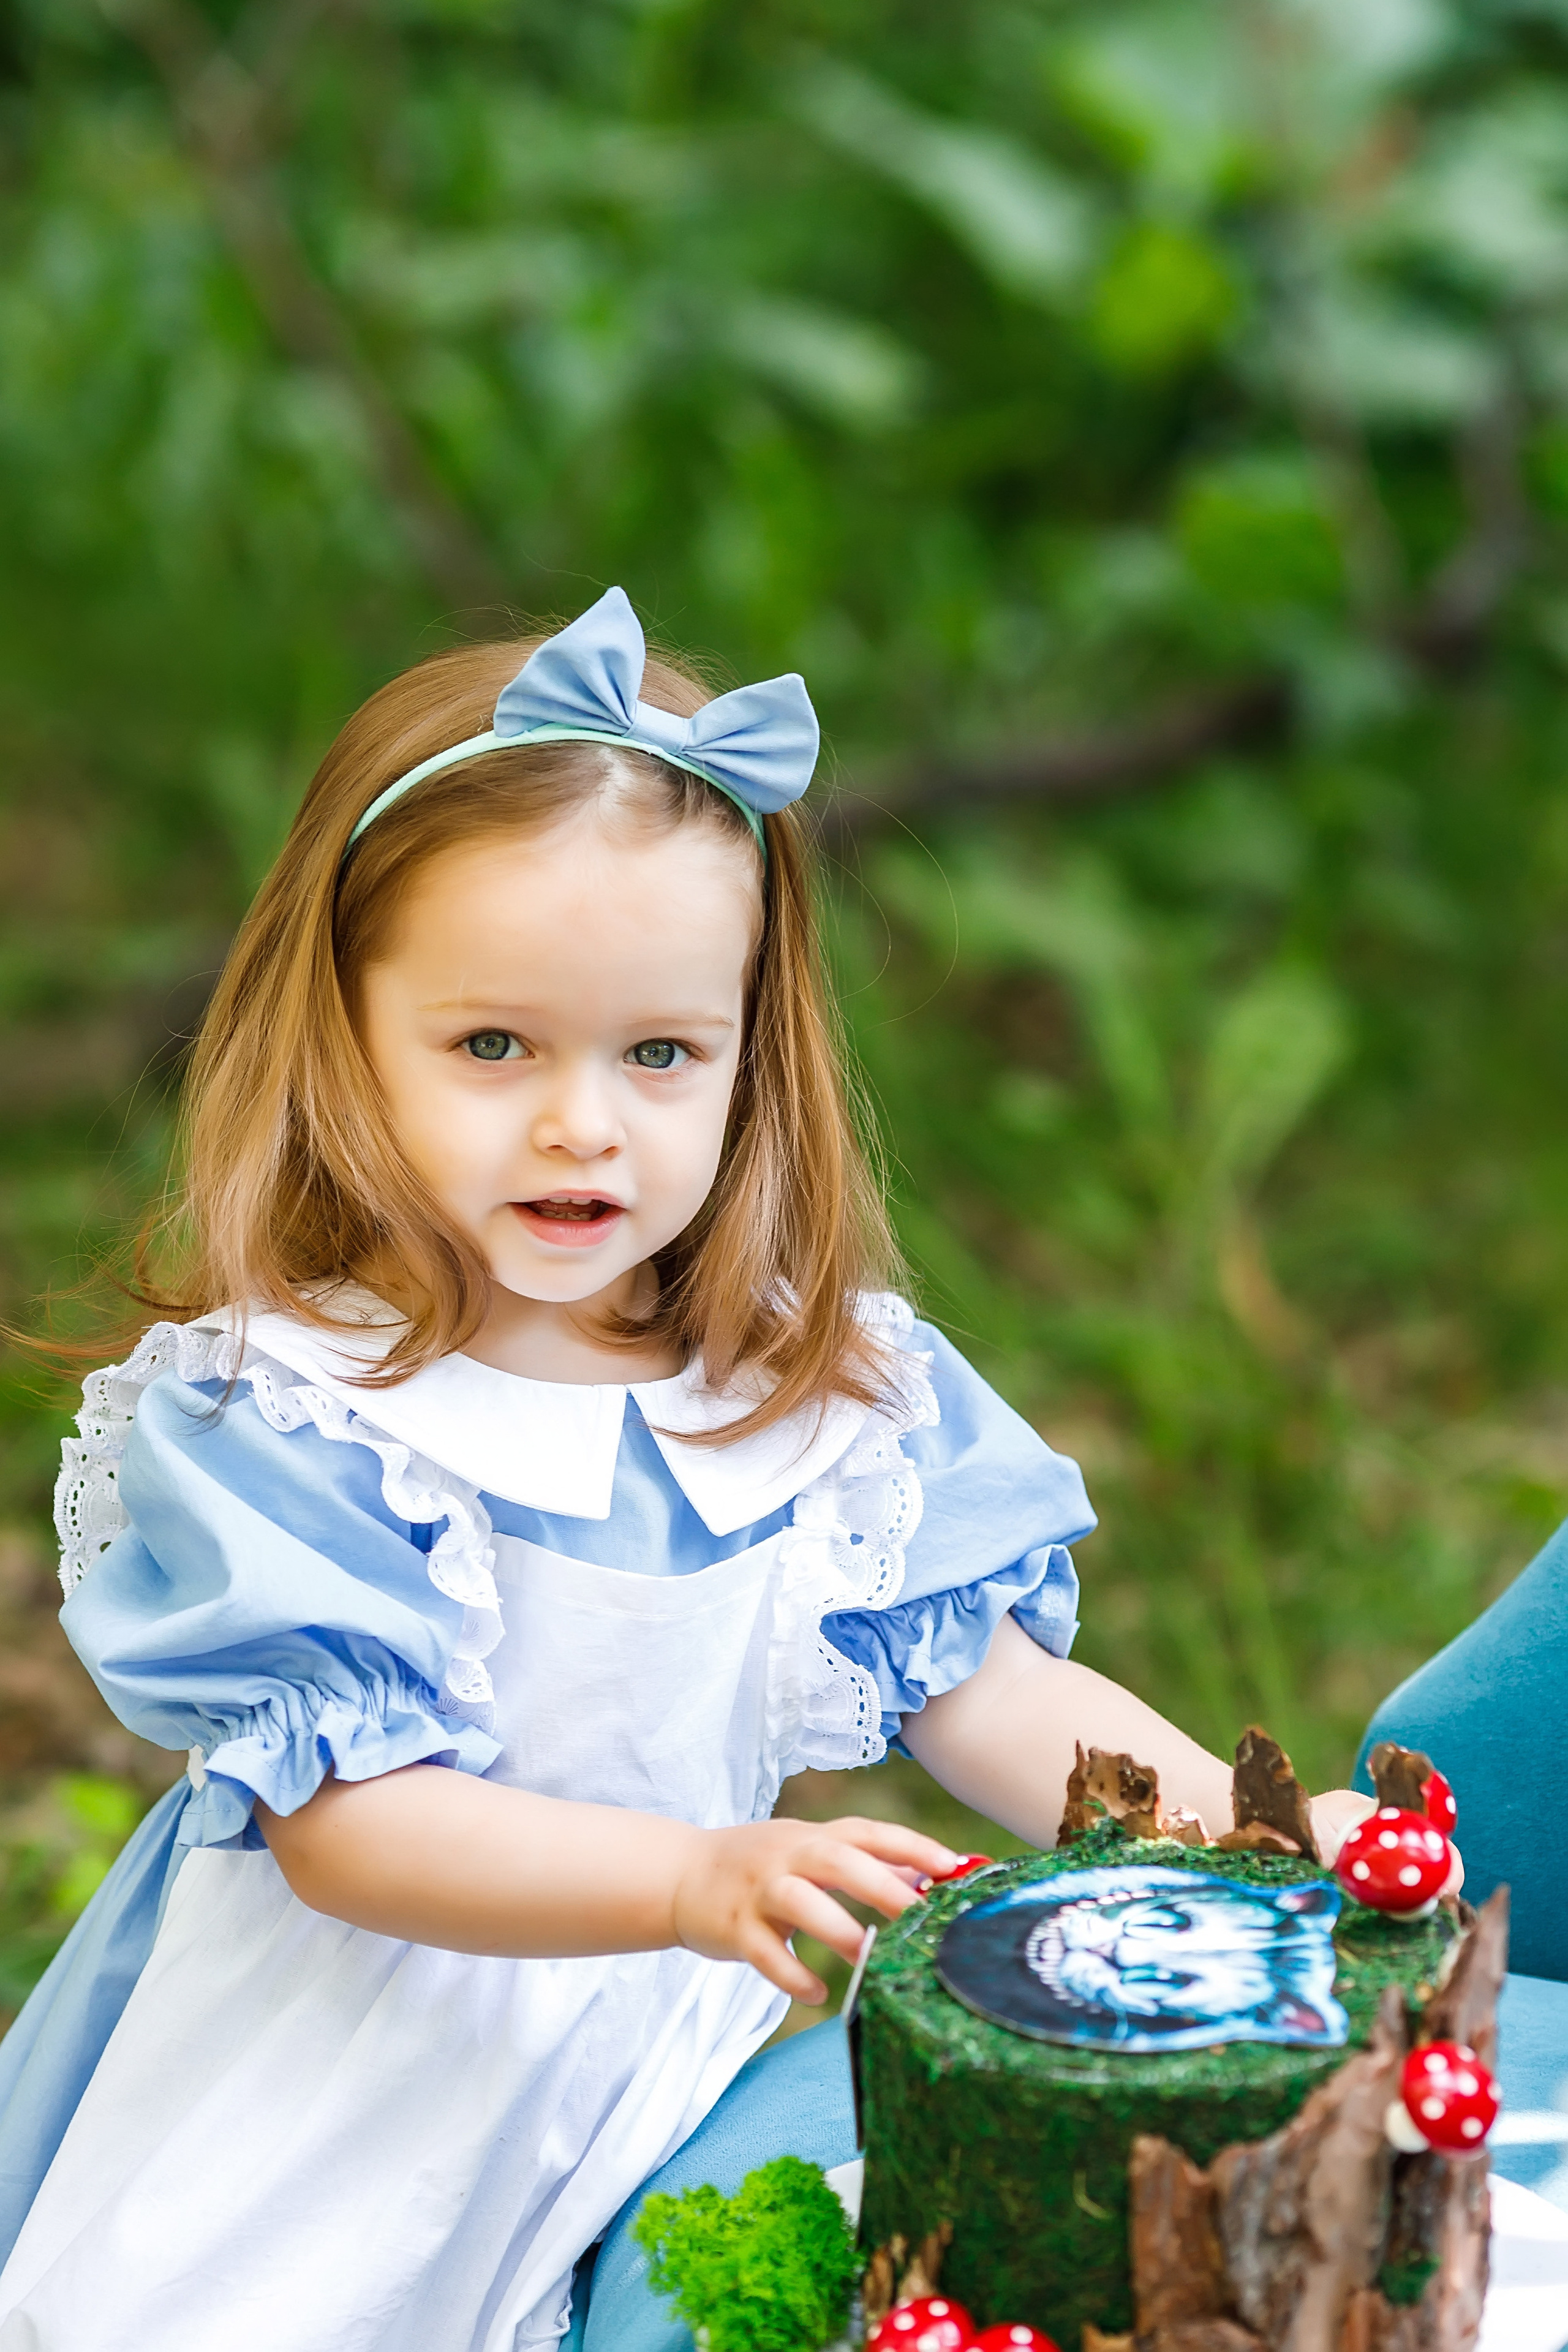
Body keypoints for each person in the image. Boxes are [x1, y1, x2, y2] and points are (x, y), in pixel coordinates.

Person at [0, 588, 1371, 2352]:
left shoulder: (810, 1388)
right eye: (495, 1046)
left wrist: (1248, 1854)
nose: (585, 1120)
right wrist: (689, 1879)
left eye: (660, 1053)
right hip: (354, 2078)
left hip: (668, 2043)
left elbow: (1005, 1699)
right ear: (348, 1039)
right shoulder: (309, 1410)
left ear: (747, 1052)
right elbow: (348, 1831)